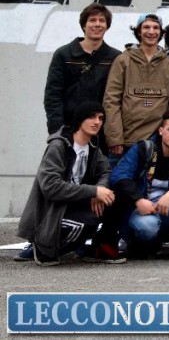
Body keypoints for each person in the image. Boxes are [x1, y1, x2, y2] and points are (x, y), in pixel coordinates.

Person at [100, 109, 169, 263]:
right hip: (144, 210)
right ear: (161, 130)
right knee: (147, 227)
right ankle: (144, 244)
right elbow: (119, 176)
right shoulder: (143, 149)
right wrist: (138, 200)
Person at [18, 102, 116, 266]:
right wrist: (93, 191)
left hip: (73, 204)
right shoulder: (59, 146)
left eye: (101, 118)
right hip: (51, 211)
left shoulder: (92, 147)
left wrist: (100, 189)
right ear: (79, 120)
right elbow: (51, 187)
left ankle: (95, 248)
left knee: (113, 200)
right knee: (87, 222)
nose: (97, 122)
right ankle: (43, 248)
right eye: (91, 117)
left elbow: (105, 171)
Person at [104, 13, 169, 168]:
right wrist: (115, 138)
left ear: (161, 32)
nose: (151, 31)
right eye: (146, 27)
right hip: (124, 143)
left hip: (155, 144)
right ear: (139, 31)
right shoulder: (123, 60)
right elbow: (111, 100)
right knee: (118, 181)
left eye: (156, 28)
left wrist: (165, 139)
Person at [43, 3, 121, 138]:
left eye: (102, 21)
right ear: (84, 25)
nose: (97, 24)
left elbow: (118, 98)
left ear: (107, 26)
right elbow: (53, 95)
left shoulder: (116, 57)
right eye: (92, 20)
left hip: (101, 133)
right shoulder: (63, 55)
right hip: (68, 130)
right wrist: (57, 131)